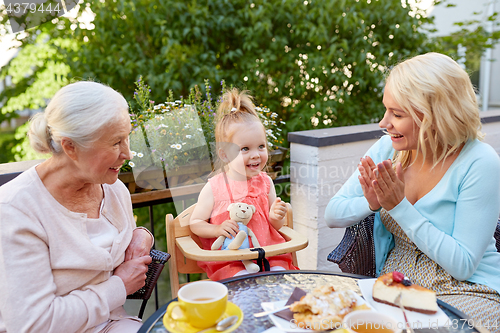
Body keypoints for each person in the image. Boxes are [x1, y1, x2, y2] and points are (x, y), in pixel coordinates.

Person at [325, 52, 500, 326]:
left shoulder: (480, 162)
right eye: (387, 110)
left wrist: (398, 207)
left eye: (397, 114)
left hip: (468, 289)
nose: (384, 123)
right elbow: (333, 215)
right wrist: (371, 203)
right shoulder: (389, 149)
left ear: (434, 115)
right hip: (397, 286)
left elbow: (463, 264)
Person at [0, 81, 155, 333]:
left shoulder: (114, 190)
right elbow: (33, 325)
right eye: (116, 142)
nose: (128, 153)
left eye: (127, 137)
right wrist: (118, 287)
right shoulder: (14, 210)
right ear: (70, 146)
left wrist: (141, 235)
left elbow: (111, 243)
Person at [189, 88, 298, 280]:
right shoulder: (214, 187)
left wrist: (275, 216)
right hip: (232, 261)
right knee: (243, 288)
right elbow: (195, 223)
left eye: (261, 146)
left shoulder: (265, 182)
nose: (256, 154)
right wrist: (216, 229)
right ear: (225, 154)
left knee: (283, 282)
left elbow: (276, 225)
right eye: (245, 149)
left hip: (270, 256)